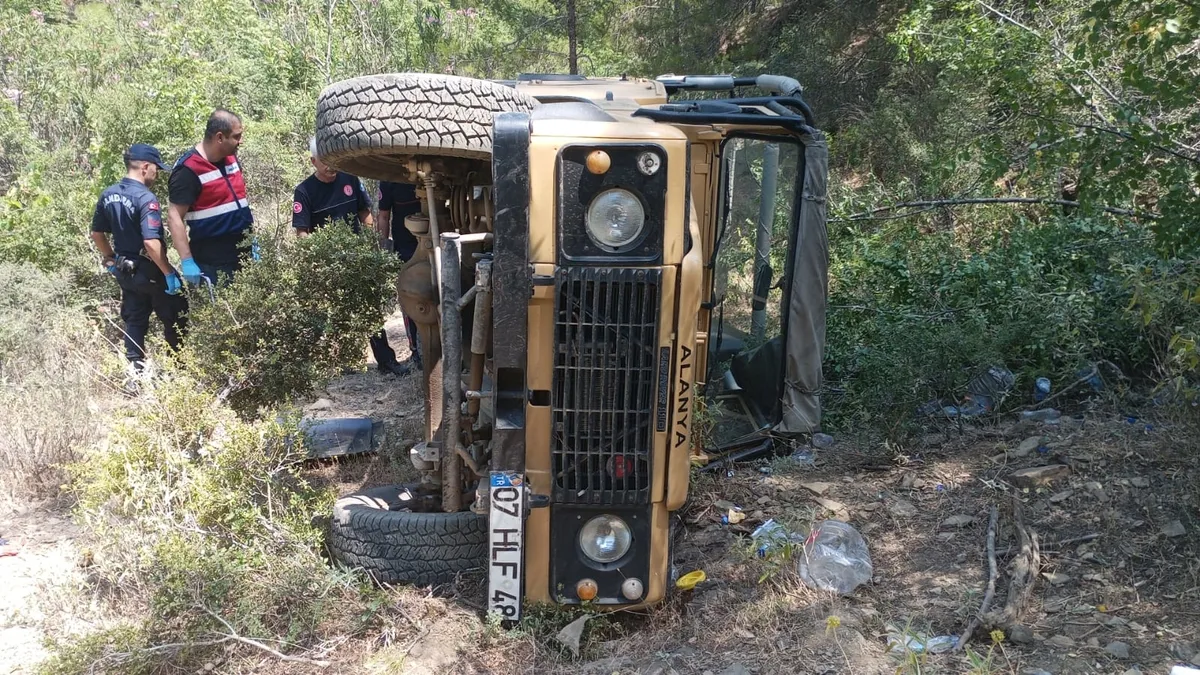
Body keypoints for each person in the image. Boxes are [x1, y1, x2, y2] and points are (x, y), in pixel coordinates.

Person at [293, 138, 409, 376]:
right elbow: (302, 233)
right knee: (334, 314)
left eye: (332, 159)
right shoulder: (304, 191)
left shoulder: (350, 179)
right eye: (323, 161)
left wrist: (371, 245)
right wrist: (316, 262)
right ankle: (339, 364)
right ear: (313, 161)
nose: (330, 166)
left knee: (370, 311)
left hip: (358, 258)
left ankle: (386, 362)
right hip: (329, 264)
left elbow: (365, 214)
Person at [90, 143, 187, 372]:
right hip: (150, 270)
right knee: (176, 316)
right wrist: (168, 273)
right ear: (145, 167)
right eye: (156, 168)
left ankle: (136, 373)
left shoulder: (108, 194)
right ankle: (178, 370)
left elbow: (97, 233)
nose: (157, 174)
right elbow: (150, 242)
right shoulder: (145, 198)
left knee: (135, 320)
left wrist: (110, 259)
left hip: (125, 271)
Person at [167, 109, 253, 286]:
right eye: (236, 137)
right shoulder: (188, 170)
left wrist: (252, 240)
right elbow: (174, 217)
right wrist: (187, 260)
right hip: (213, 263)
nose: (241, 141)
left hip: (244, 253)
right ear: (220, 137)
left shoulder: (231, 159)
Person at [377, 180, 423, 370]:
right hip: (404, 248)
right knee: (410, 300)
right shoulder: (388, 179)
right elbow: (383, 216)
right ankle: (416, 350)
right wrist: (383, 252)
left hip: (436, 241)